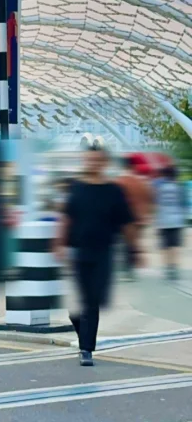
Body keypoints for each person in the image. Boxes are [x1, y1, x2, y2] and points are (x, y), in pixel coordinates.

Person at [56, 142, 136, 366]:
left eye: (98, 160)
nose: (93, 163)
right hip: (78, 252)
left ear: (105, 162)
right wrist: (58, 243)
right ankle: (85, 337)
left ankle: (86, 350)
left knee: (92, 301)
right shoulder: (76, 188)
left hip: (104, 253)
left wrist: (134, 249)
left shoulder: (114, 191)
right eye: (90, 159)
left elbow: (127, 223)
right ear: (85, 161)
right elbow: (66, 218)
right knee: (77, 308)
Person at [115, 156, 154, 274]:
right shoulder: (142, 182)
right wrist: (146, 215)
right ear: (133, 167)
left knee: (123, 242)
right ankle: (130, 268)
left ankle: (126, 268)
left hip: (122, 219)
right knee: (133, 243)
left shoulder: (118, 182)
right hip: (139, 219)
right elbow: (150, 199)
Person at [154, 162, 185, 281]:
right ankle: (174, 267)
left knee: (165, 246)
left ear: (165, 175)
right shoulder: (179, 187)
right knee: (175, 245)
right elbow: (182, 203)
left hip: (163, 220)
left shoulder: (159, 187)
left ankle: (167, 267)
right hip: (177, 220)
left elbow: (156, 203)